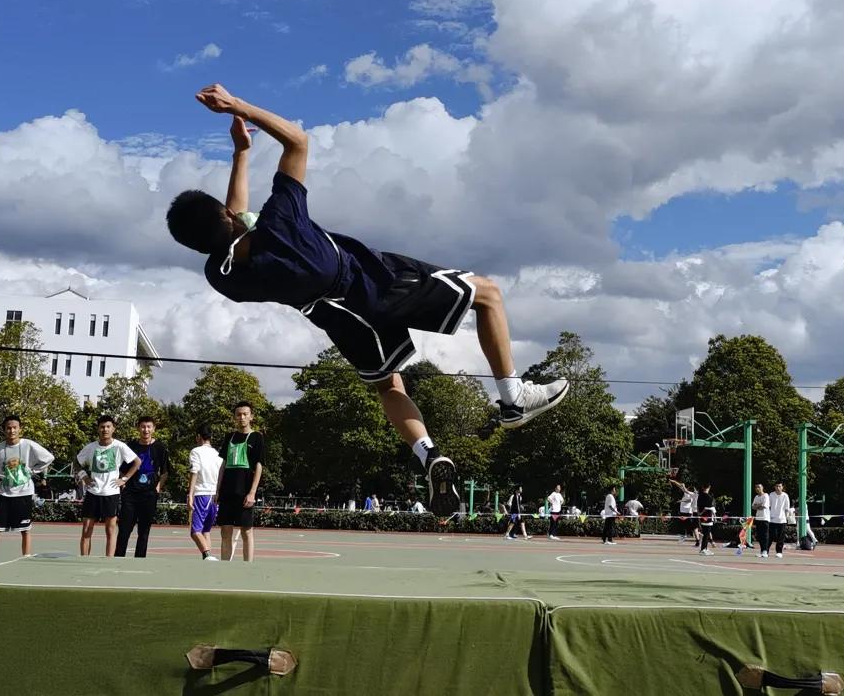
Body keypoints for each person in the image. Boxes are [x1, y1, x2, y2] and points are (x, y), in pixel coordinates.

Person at [167, 85, 570, 515]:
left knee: (389, 385)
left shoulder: (222, 275)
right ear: (228, 218)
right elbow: (298, 141)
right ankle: (513, 399)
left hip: (338, 319)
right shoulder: (281, 221)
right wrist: (239, 106)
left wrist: (241, 155)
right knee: (488, 295)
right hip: (376, 282)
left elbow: (232, 222)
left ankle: (429, 455)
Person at [0, 415, 54, 566]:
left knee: (25, 530)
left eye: (14, 428)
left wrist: (33, 470)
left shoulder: (28, 445)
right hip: (5, 493)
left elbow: (49, 458)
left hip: (24, 493)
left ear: (20, 429)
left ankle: (26, 560)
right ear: (4, 430)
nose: (11, 430)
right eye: (8, 428)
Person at [76, 416, 140, 557]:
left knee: (110, 530)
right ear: (98, 429)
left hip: (111, 493)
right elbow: (76, 462)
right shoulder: (90, 447)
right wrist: (84, 476)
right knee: (86, 530)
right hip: (93, 492)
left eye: (108, 426)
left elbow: (137, 462)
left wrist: (124, 479)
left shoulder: (119, 446)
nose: (105, 429)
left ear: (113, 428)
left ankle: (109, 561)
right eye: (102, 427)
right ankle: (84, 560)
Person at [214, 402, 264, 562]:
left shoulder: (257, 437)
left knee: (246, 531)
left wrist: (252, 492)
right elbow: (223, 465)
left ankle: (247, 567)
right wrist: (217, 489)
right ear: (235, 417)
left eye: (245, 414)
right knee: (225, 531)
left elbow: (259, 466)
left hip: (245, 492)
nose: (242, 417)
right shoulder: (230, 437)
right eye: (238, 414)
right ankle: (225, 566)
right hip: (227, 490)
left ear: (251, 416)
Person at [115, 416, 170, 558]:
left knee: (144, 532)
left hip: (149, 495)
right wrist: (123, 483)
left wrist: (158, 487)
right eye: (143, 426)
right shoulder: (131, 446)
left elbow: (164, 472)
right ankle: (118, 558)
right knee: (124, 530)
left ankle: (140, 560)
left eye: (149, 427)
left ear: (154, 429)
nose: (146, 430)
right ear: (138, 428)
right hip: (131, 494)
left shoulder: (160, 447)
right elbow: (122, 468)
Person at [188, 425, 222, 560]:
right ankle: (208, 559)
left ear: (198, 437)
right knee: (206, 530)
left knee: (195, 531)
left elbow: (194, 472)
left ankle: (207, 555)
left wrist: (190, 494)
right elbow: (221, 475)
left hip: (202, 493)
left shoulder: (195, 452)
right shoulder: (218, 454)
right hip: (214, 496)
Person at [768, 481, 792, 559]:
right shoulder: (771, 495)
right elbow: (769, 506)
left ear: (782, 487)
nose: (778, 488)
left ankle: (779, 552)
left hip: (782, 520)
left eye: (779, 486)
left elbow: (787, 509)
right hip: (772, 519)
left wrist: (786, 518)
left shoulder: (785, 496)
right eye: (777, 486)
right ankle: (765, 551)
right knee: (771, 536)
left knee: (780, 537)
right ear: (774, 487)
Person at [672, 479, 699, 545]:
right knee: (686, 525)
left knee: (688, 525)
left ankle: (685, 536)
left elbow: (689, 500)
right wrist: (674, 482)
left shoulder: (692, 494)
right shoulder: (687, 493)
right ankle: (698, 536)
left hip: (687, 511)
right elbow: (681, 487)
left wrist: (681, 501)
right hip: (683, 510)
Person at [696, 482, 716, 555]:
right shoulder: (708, 497)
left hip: (702, 516)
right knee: (706, 534)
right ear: (709, 487)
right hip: (707, 516)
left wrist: (699, 514)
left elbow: (698, 506)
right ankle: (703, 549)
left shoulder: (700, 496)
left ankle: (705, 548)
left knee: (706, 533)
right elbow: (711, 506)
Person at [751, 482, 771, 559]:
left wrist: (757, 506)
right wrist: (758, 505)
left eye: (759, 487)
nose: (757, 489)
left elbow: (764, 506)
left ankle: (765, 551)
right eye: (756, 487)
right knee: (759, 536)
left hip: (765, 518)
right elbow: (753, 507)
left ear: (762, 488)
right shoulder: (756, 497)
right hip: (758, 518)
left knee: (765, 535)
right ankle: (762, 551)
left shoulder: (766, 495)